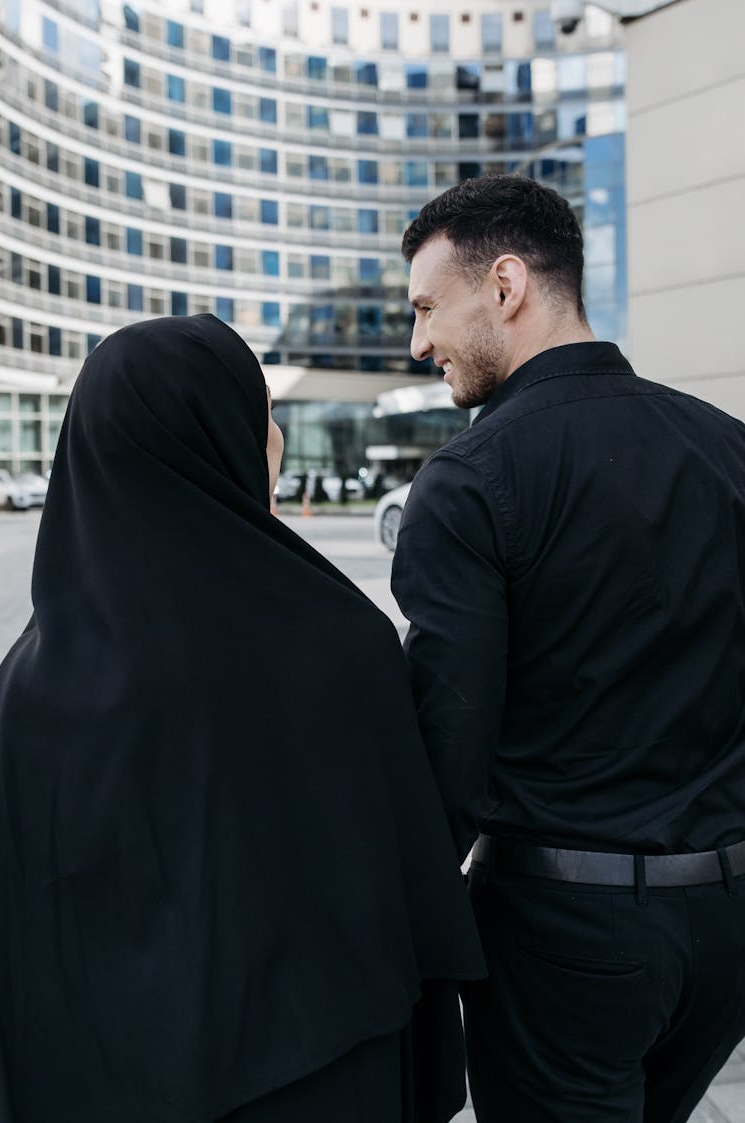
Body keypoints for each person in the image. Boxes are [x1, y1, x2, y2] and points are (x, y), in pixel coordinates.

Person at [0, 314, 485, 1123]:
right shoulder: (338, 644)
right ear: (215, 434)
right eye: (260, 413)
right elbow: (410, 886)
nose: (279, 439)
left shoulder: (23, 688)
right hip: (322, 1076)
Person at [391, 175, 745, 1122]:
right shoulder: (729, 449)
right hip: (726, 926)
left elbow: (447, 760)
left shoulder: (469, 482)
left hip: (564, 941)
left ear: (504, 285)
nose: (418, 341)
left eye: (427, 306)